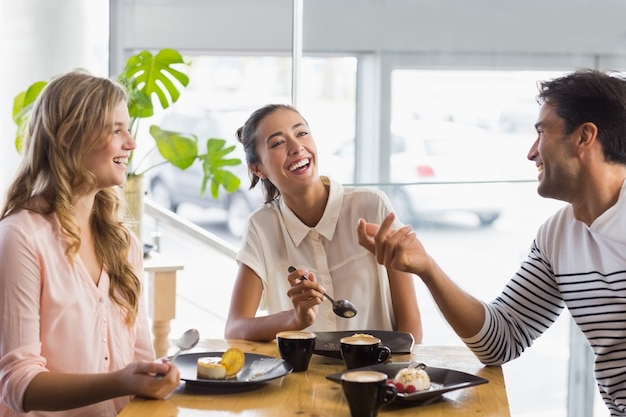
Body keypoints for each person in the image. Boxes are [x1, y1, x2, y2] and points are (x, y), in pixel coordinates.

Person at [357, 69, 626, 416]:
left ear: (584, 137)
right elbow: (502, 339)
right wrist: (426, 268)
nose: (532, 153)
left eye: (542, 132)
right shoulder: (558, 235)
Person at [0, 71, 180, 417]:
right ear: (69, 137)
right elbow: (18, 383)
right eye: (116, 130)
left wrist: (155, 375)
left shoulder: (123, 242)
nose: (131, 142)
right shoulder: (20, 236)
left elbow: (141, 358)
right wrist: (121, 381)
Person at [224, 104, 423, 343]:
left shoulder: (372, 206)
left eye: (301, 133)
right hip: (302, 378)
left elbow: (411, 330)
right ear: (258, 169)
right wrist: (295, 319)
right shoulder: (262, 226)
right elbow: (234, 329)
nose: (297, 147)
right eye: (278, 143)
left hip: (378, 373)